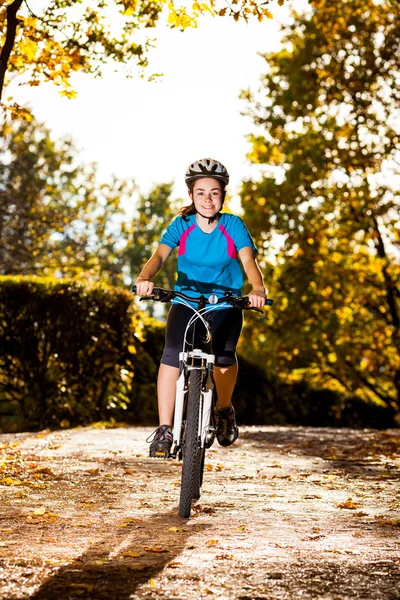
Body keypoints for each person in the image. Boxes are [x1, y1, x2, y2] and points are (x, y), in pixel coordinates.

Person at [135, 158, 266, 458]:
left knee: (223, 360)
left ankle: (223, 409)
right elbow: (159, 256)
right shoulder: (181, 224)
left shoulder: (233, 225)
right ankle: (165, 429)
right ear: (191, 195)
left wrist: (257, 289)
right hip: (187, 301)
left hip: (226, 303)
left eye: (215, 192)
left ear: (223, 196)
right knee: (171, 355)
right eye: (201, 192)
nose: (208, 199)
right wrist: (145, 278)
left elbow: (249, 262)